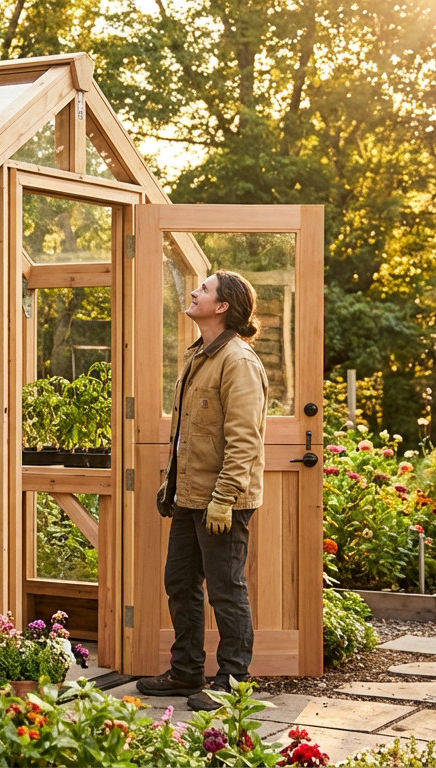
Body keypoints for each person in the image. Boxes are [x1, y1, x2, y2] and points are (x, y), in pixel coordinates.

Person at [135, 270, 268, 711]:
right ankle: (187, 671)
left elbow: (244, 439)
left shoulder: (238, 361)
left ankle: (234, 679)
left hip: (221, 503)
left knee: (225, 588)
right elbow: (191, 433)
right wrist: (170, 485)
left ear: (222, 306)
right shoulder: (200, 356)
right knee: (180, 582)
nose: (194, 292)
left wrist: (225, 499)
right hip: (190, 498)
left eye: (204, 289)